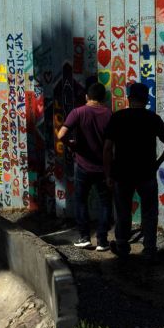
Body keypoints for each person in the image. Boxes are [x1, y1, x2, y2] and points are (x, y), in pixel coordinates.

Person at [103, 82, 164, 260]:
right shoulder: (153, 118)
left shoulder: (117, 117)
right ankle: (149, 249)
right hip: (146, 173)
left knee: (123, 211)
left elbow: (107, 148)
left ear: (129, 98)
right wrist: (158, 163)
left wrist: (108, 174)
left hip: (122, 173)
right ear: (146, 99)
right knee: (149, 213)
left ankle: (122, 245)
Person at [56, 82, 113, 251]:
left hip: (82, 165)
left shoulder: (78, 112)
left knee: (81, 200)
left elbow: (61, 134)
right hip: (103, 167)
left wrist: (72, 145)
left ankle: (84, 237)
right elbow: (111, 145)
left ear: (87, 97)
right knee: (105, 203)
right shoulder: (109, 114)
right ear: (103, 98)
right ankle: (102, 241)